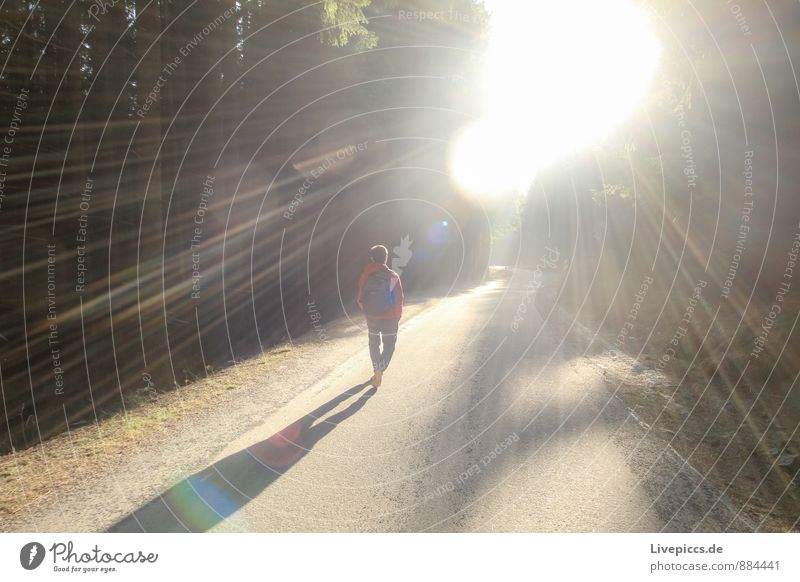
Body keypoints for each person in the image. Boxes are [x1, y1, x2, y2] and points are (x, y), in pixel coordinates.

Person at [356, 244, 404, 388]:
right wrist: (397, 316)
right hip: (390, 318)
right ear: (386, 257)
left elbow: (360, 296)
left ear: (372, 258)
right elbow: (399, 298)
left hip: (371, 318)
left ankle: (376, 369)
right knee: (389, 345)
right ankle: (380, 370)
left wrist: (367, 311)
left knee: (374, 345)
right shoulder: (392, 275)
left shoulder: (365, 274)